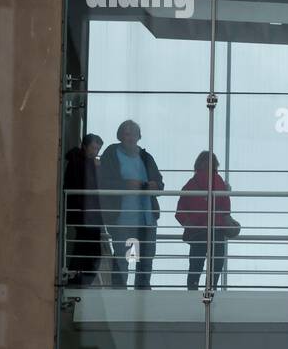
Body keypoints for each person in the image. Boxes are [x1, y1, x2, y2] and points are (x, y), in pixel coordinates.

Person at [99, 120, 164, 289]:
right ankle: (121, 294)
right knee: (126, 257)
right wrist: (126, 184)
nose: (130, 137)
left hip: (146, 220)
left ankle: (142, 295)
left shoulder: (145, 156)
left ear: (138, 137)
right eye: (127, 134)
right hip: (124, 220)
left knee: (146, 258)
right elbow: (104, 181)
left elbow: (159, 183)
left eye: (133, 133)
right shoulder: (112, 153)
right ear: (120, 136)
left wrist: (153, 185)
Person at [175, 151, 238, 291]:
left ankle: (191, 293)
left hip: (197, 232)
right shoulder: (218, 181)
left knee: (195, 266)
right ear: (215, 164)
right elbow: (225, 210)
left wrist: (189, 223)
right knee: (215, 266)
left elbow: (179, 212)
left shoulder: (191, 184)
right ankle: (211, 293)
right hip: (216, 231)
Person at [62, 134, 104, 286]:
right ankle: (77, 280)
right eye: (94, 147)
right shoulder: (79, 162)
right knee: (89, 249)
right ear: (85, 147)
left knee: (88, 249)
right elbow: (79, 185)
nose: (96, 151)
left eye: (98, 149)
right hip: (83, 213)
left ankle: (78, 279)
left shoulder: (85, 162)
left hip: (88, 213)